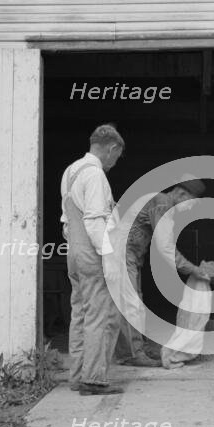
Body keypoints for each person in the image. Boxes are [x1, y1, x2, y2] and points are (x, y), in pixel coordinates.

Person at [116, 174, 209, 367]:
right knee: (130, 303)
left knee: (134, 300)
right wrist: (192, 269)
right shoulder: (163, 203)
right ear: (181, 193)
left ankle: (137, 347)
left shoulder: (159, 202)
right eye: (191, 202)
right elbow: (165, 246)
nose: (190, 208)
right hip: (122, 254)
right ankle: (132, 353)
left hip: (130, 255)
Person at [60, 124, 125, 395]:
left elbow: (66, 221)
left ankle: (76, 376)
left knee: (81, 313)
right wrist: (108, 257)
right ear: (111, 149)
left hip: (73, 252)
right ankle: (94, 379)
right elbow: (96, 220)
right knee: (101, 315)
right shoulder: (96, 175)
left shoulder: (71, 171)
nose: (115, 162)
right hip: (92, 252)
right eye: (117, 157)